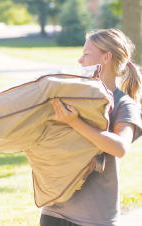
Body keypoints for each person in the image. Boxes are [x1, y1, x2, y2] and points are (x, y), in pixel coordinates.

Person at [41, 29, 142, 226]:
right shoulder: (70, 96)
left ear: (107, 57)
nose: (80, 60)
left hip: (94, 217)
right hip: (54, 210)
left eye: (86, 54)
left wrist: (75, 122)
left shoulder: (124, 104)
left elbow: (119, 147)